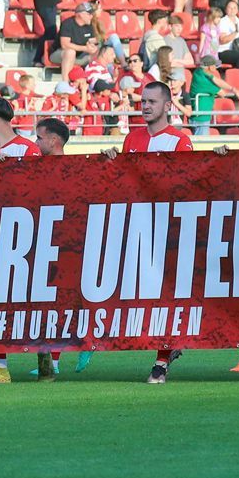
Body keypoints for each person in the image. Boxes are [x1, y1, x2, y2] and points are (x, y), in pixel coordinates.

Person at [100, 82, 195, 384]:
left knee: (166, 295)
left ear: (168, 106)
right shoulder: (132, 139)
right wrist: (113, 163)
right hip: (139, 227)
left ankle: (162, 359)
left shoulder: (180, 141)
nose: (146, 106)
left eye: (152, 101)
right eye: (143, 101)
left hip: (169, 229)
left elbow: (190, 181)